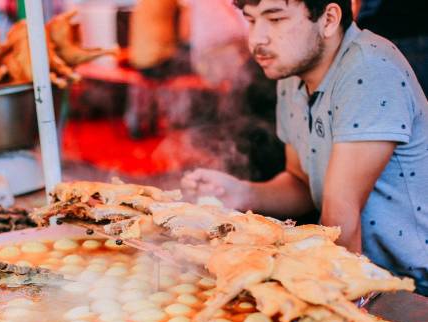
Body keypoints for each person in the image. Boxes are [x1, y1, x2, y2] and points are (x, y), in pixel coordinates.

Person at [181, 0, 427, 295]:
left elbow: (340, 220)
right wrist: (241, 192)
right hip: (358, 270)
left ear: (328, 19)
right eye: (251, 20)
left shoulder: (370, 68)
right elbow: (301, 183)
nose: (257, 38)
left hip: (409, 290)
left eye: (275, 19)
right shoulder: (292, 73)